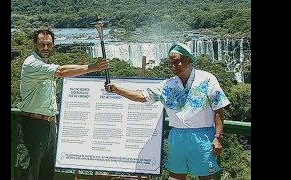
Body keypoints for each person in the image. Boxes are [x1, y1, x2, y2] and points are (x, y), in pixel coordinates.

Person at [105, 43, 230, 180]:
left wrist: (218, 137)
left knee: (206, 176)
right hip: (177, 138)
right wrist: (117, 90)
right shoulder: (167, 85)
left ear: (188, 60)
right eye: (171, 63)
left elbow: (218, 109)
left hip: (202, 137)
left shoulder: (207, 79)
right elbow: (142, 96)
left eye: (177, 62)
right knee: (175, 176)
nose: (173, 66)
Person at [14, 26, 109, 180]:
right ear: (34, 45)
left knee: (46, 173)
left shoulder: (45, 64)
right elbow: (62, 72)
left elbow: (62, 70)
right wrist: (92, 67)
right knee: (28, 172)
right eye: (41, 44)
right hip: (33, 125)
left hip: (49, 126)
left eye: (49, 44)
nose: (45, 47)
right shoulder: (32, 64)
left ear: (53, 45)